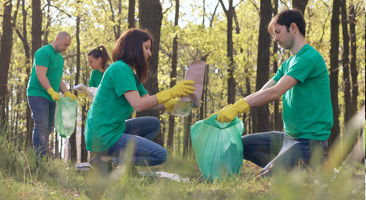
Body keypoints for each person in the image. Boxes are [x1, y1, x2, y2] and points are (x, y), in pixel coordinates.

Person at [212, 9, 333, 177]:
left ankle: (313, 168)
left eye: (278, 32)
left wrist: (239, 107)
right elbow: (264, 91)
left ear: (293, 27)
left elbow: (276, 92)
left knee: (265, 180)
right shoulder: (289, 63)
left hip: (309, 143)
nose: (275, 38)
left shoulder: (308, 58)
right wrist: (234, 108)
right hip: (288, 139)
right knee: (236, 144)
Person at [85, 28, 195, 174]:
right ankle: (108, 161)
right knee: (160, 155)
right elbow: (138, 105)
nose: (150, 53)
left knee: (153, 124)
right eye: (146, 48)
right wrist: (170, 92)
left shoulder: (129, 72)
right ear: (134, 47)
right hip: (104, 135)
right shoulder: (120, 69)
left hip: (112, 128)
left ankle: (110, 160)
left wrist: (171, 104)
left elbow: (147, 100)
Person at [27, 31, 77, 157]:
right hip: (38, 94)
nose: (66, 48)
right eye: (65, 45)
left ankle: (43, 157)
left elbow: (59, 79)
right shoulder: (43, 52)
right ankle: (39, 159)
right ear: (57, 38)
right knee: (42, 125)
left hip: (51, 96)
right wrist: (50, 90)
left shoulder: (60, 58)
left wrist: (67, 93)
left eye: (68, 46)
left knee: (48, 128)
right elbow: (40, 74)